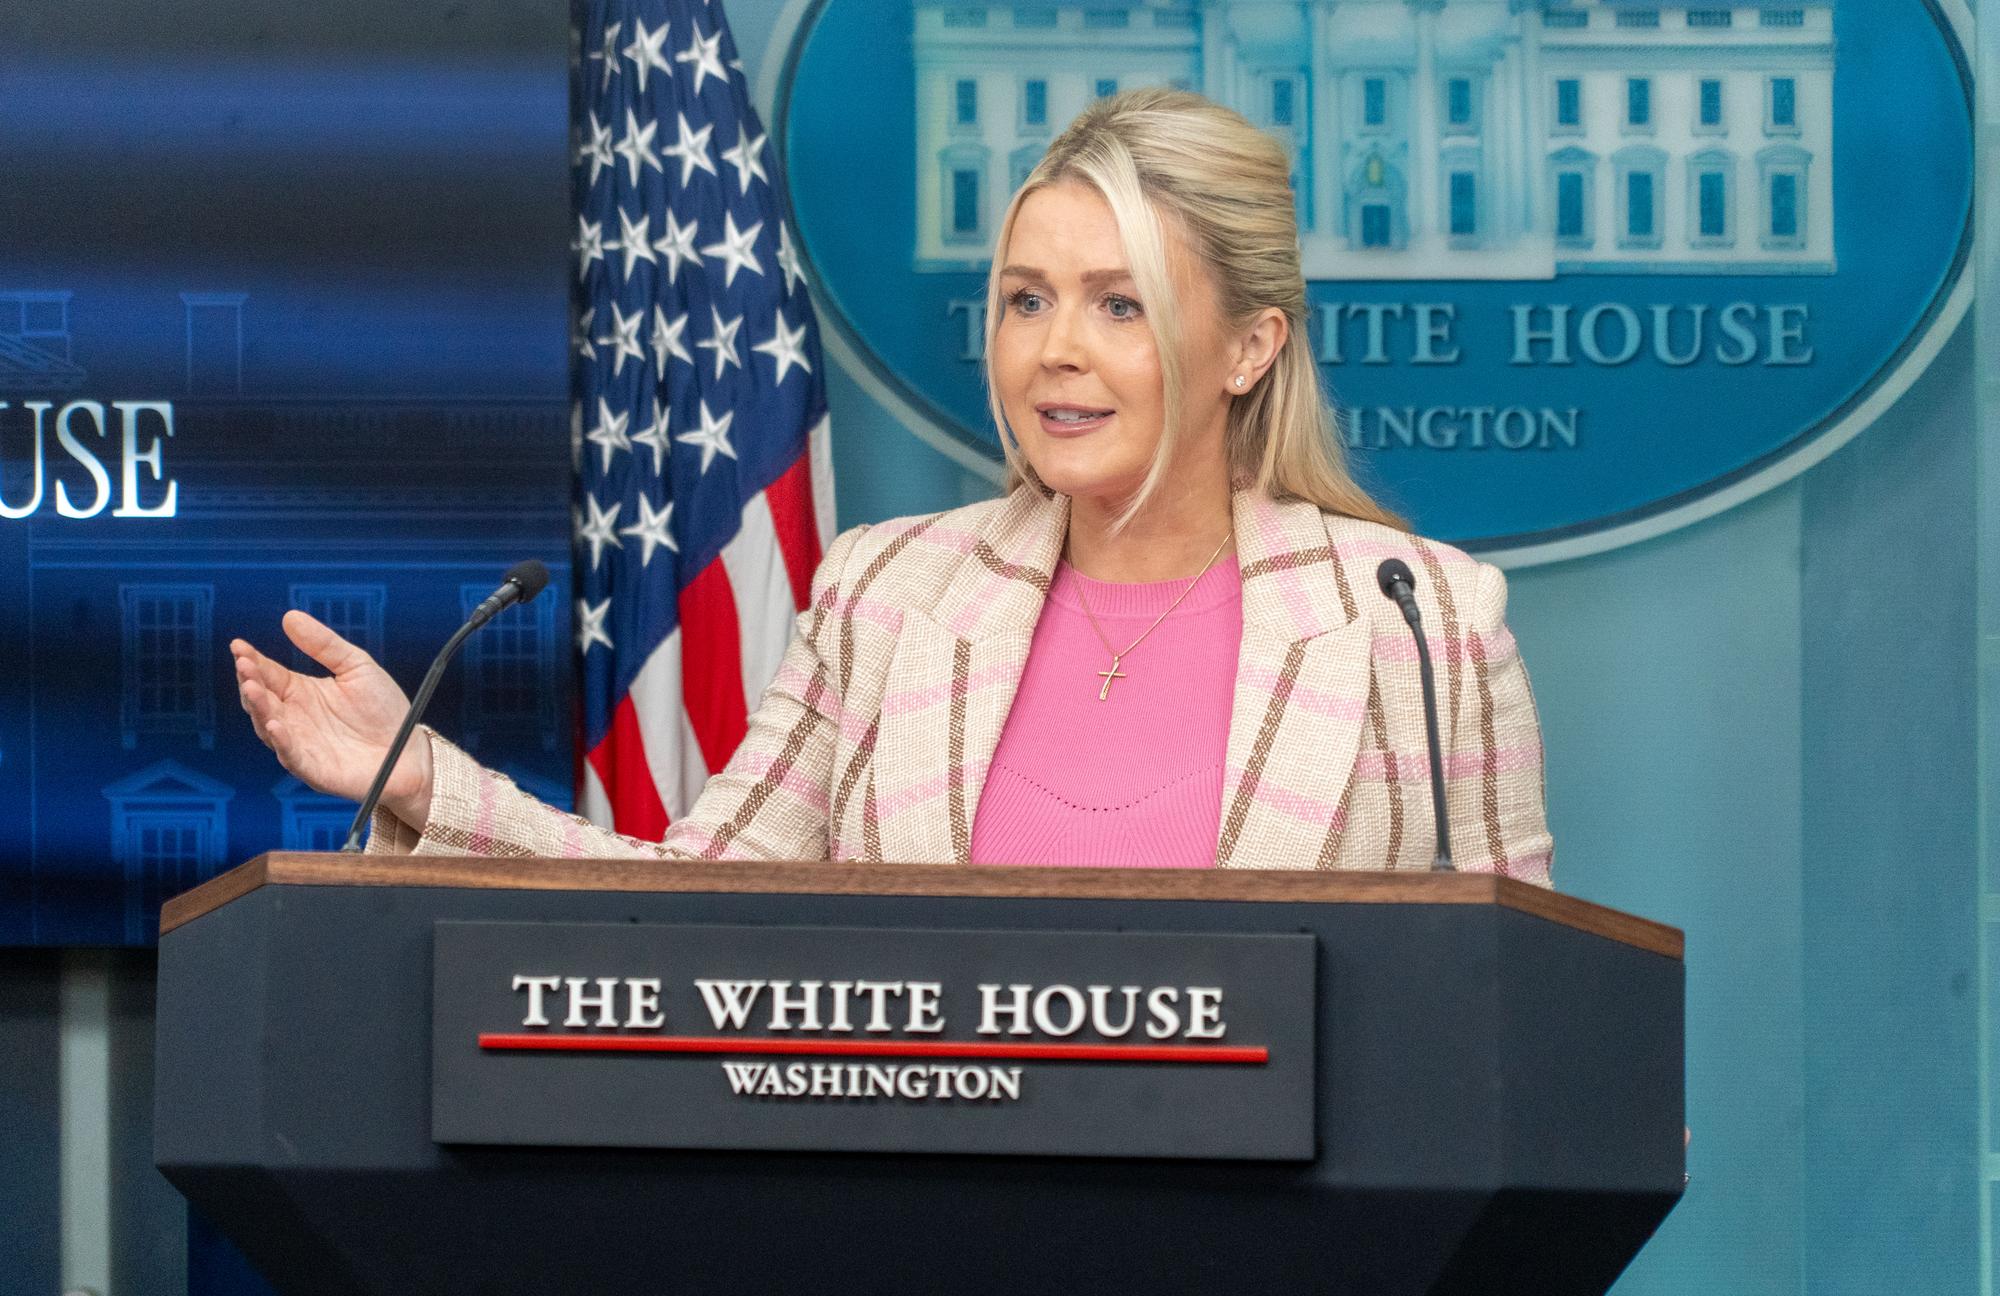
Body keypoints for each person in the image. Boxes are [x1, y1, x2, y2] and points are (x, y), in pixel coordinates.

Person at [231, 88, 1553, 883]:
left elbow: (1508, 1009)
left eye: (1120, 304)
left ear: (1250, 348)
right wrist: (420, 776)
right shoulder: (890, 592)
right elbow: (709, 898)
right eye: (1026, 298)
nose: (1055, 350)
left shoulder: (1420, 622)